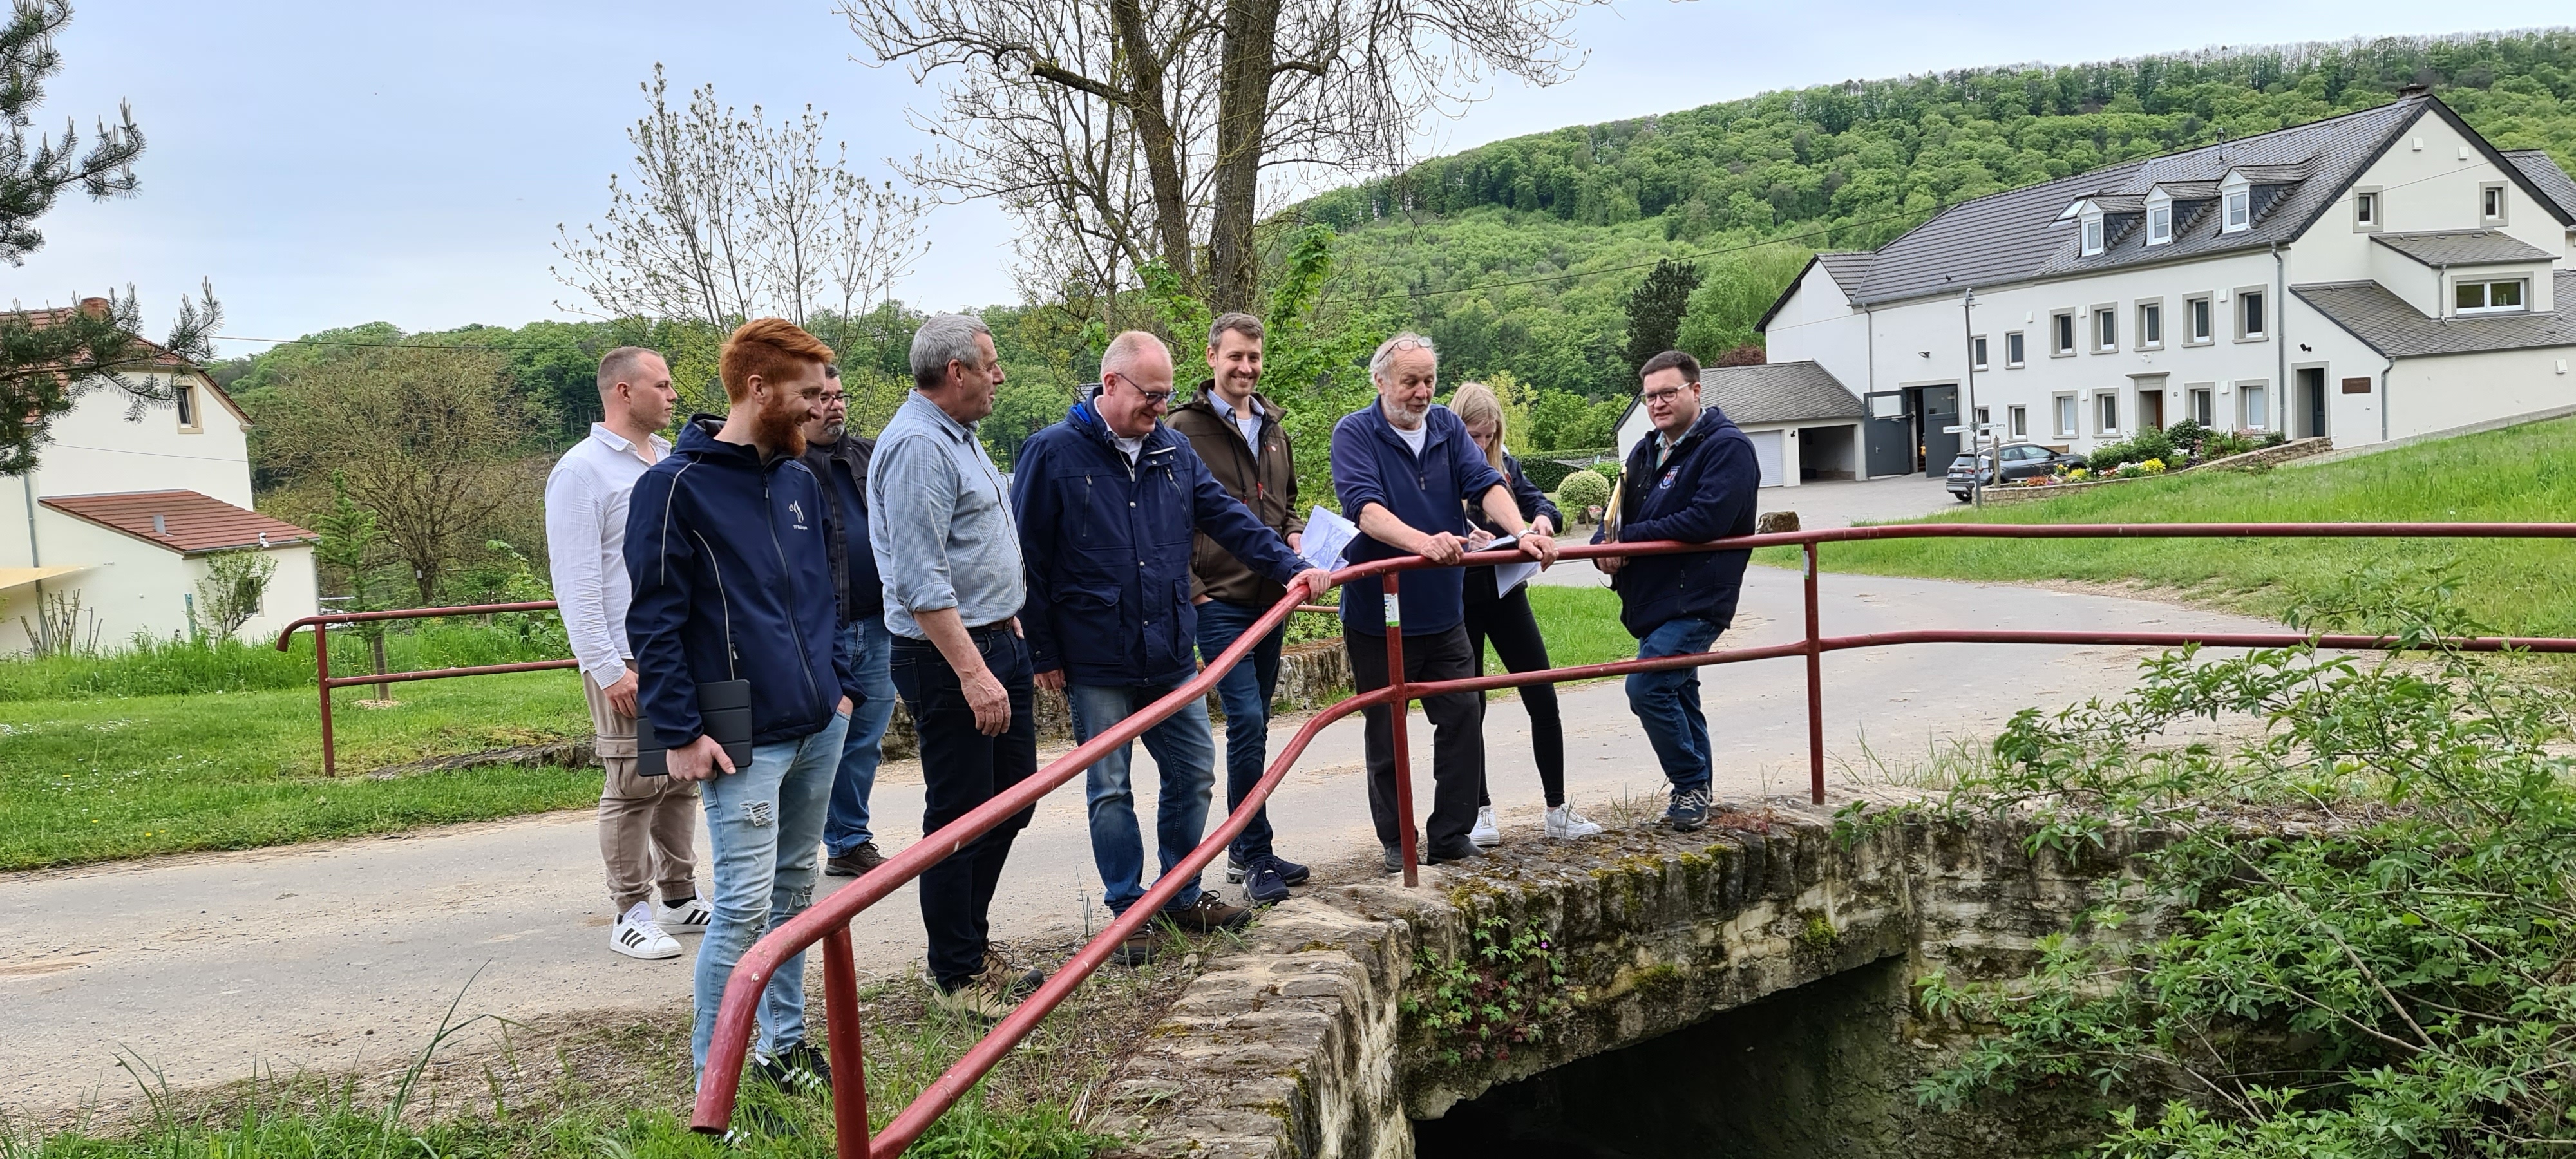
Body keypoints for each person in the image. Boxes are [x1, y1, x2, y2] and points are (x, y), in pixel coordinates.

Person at [1014, 331, 1332, 963]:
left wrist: (1289, 565)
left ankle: (1180, 892)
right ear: (1110, 384)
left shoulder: (1172, 450)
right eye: (1151, 395)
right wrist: (1043, 652)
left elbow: (1229, 519)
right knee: (1110, 785)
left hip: (1166, 649)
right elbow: (1028, 556)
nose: (1161, 407)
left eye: (1166, 395)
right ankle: (1127, 910)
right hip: (1094, 652)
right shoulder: (1052, 452)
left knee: (1193, 769)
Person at [626, 319, 854, 1092]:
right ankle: (712, 1092)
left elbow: (826, 593)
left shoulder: (800, 481)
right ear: (759, 389)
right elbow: (653, 620)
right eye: (808, 393)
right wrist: (678, 731)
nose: (821, 406)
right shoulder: (672, 488)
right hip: (733, 729)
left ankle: (782, 1052)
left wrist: (841, 687)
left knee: (794, 896)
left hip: (818, 720)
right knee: (743, 911)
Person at [871, 312, 1046, 1022]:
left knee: (1013, 799)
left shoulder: (957, 436)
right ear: (956, 372)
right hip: (950, 658)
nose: (999, 376)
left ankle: (968, 947)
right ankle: (956, 970)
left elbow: (969, 546)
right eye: (990, 364)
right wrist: (974, 672)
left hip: (994, 639)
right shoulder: (918, 446)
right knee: (961, 816)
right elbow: (920, 582)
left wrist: (1004, 615)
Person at [1329, 332, 1557, 871]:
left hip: (1443, 612)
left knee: (1462, 717)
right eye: (1410, 381)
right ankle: (1397, 841)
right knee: (1386, 730)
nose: (1422, 392)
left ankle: (1451, 834)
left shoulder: (1448, 428)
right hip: (1381, 616)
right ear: (1380, 381)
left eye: (1429, 380)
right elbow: (1364, 508)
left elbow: (1486, 481)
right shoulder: (1354, 432)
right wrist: (1422, 542)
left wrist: (1522, 531)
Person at [544, 346, 710, 961]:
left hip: (678, 649)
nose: (673, 395)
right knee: (635, 783)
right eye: (661, 385)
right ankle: (630, 911)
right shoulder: (581, 471)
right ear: (623, 392)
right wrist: (607, 667)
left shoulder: (670, 460)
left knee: (682, 778)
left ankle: (679, 896)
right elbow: (576, 581)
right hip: (626, 656)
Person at [1166, 313, 1311, 906]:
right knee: (1246, 720)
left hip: (1273, 599)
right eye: (1235, 357)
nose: (1246, 368)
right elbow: (1167, 518)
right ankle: (1253, 853)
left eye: (1254, 357)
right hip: (1219, 602)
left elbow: (1288, 502)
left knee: (1257, 724)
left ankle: (1246, 844)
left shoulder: (1275, 427)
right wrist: (1194, 588)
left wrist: (1295, 536)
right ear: (1211, 358)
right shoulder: (1181, 428)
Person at [1591, 350, 1758, 833]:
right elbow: (1615, 517)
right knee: (1679, 691)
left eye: (1669, 392)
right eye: (1650, 397)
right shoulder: (1644, 452)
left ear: (1696, 390)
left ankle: (1689, 784)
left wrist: (1628, 542)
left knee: (1647, 686)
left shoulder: (1727, 448)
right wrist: (1602, 546)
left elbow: (1707, 520)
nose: (1658, 404)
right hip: (1653, 599)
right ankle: (1699, 791)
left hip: (1699, 598)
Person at [1444, 383, 1602, 847]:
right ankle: (1479, 811)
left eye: (1489, 437)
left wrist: (1544, 520)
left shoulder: (1505, 466)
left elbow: (1542, 504)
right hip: (1459, 602)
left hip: (1507, 593)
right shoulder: (1437, 470)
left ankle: (1557, 808)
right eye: (1473, 436)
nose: (1482, 446)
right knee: (1470, 707)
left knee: (1543, 695)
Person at [798, 366, 898, 879]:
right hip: (818, 631)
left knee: (864, 742)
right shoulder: (783, 464)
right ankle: (793, 853)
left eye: (840, 396)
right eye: (822, 397)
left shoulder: (871, 455)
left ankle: (848, 840)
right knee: (819, 742)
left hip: (878, 623)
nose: (834, 405)